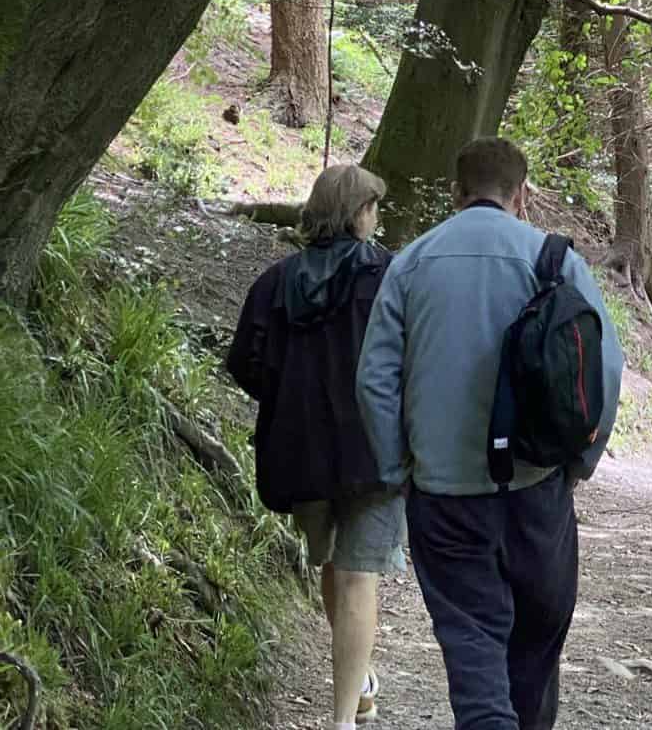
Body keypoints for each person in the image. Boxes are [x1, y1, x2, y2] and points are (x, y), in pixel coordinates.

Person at [355, 137, 624, 730]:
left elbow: (375, 379)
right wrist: (581, 463)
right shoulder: (555, 261)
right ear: (521, 195)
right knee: (535, 649)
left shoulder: (412, 263)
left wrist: (398, 468)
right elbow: (605, 367)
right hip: (536, 491)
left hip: (444, 496)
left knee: (473, 651)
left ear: (456, 192)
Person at [226, 164, 401, 730]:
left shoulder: (278, 281)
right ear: (357, 215)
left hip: (299, 452)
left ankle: (355, 692)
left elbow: (244, 361)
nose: (376, 218)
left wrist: (285, 401)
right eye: (372, 207)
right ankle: (346, 717)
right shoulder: (388, 277)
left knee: (334, 565)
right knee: (355, 575)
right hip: (374, 451)